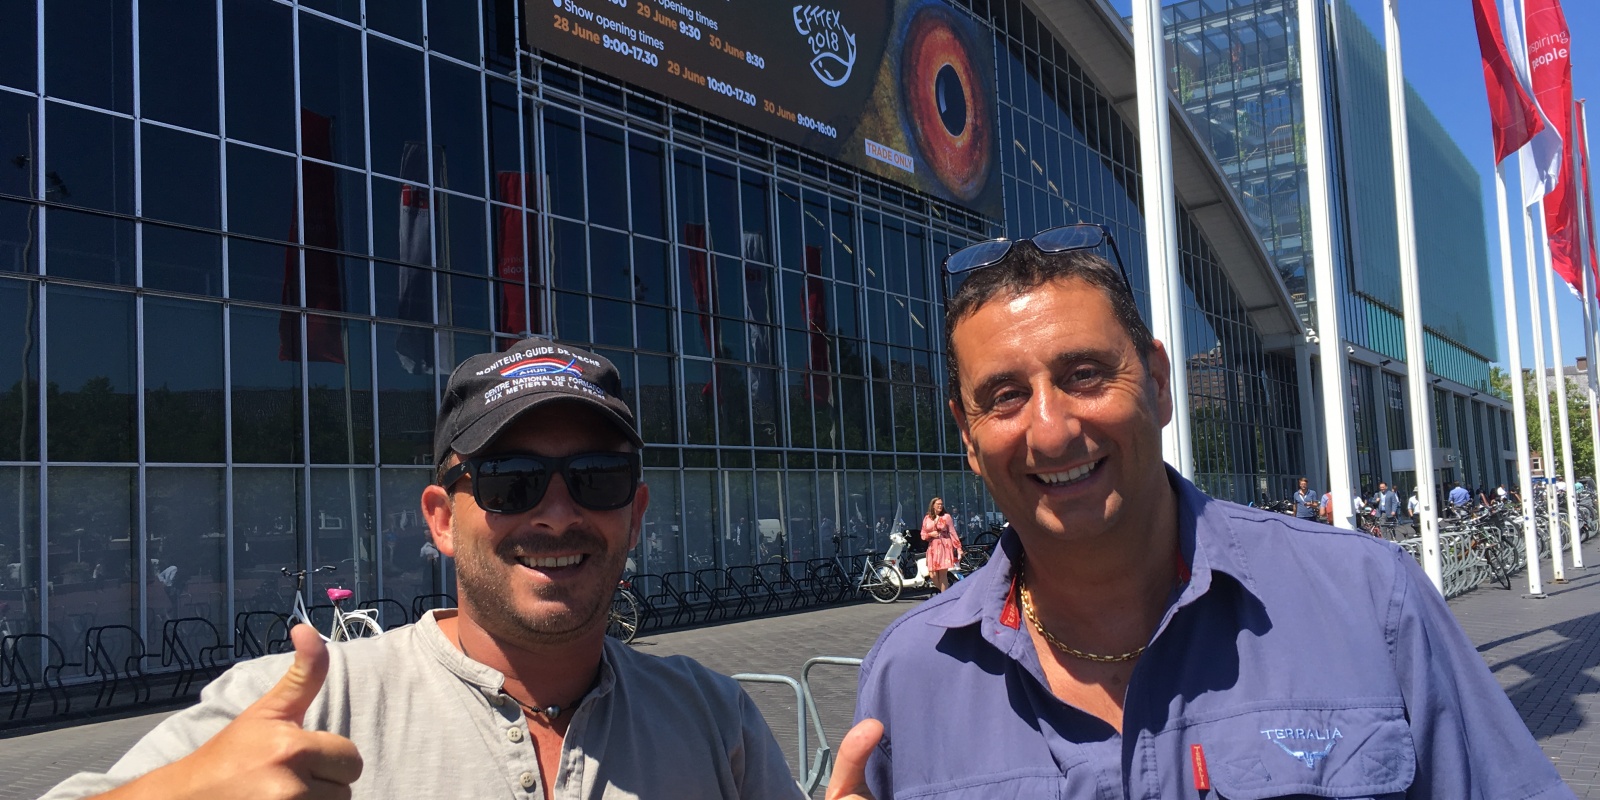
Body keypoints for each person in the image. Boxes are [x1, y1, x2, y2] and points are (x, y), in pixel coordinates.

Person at [824, 229, 1573, 800]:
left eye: (1084, 374)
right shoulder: (910, 680)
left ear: (1155, 381)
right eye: (1005, 396)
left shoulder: (1368, 602)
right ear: (968, 436)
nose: (1050, 429)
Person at [44, 337, 803, 800]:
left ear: (633, 516)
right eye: (510, 480)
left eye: (596, 478)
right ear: (441, 518)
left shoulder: (715, 720)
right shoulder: (304, 710)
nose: (559, 514)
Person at [918, 497, 963, 593]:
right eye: (938, 504)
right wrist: (930, 534)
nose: (940, 506)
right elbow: (922, 534)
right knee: (932, 575)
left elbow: (952, 532)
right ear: (933, 505)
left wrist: (958, 548)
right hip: (932, 547)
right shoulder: (927, 518)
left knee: (942, 574)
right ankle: (947, 594)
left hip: (944, 546)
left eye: (941, 504)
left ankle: (944, 596)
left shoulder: (946, 517)